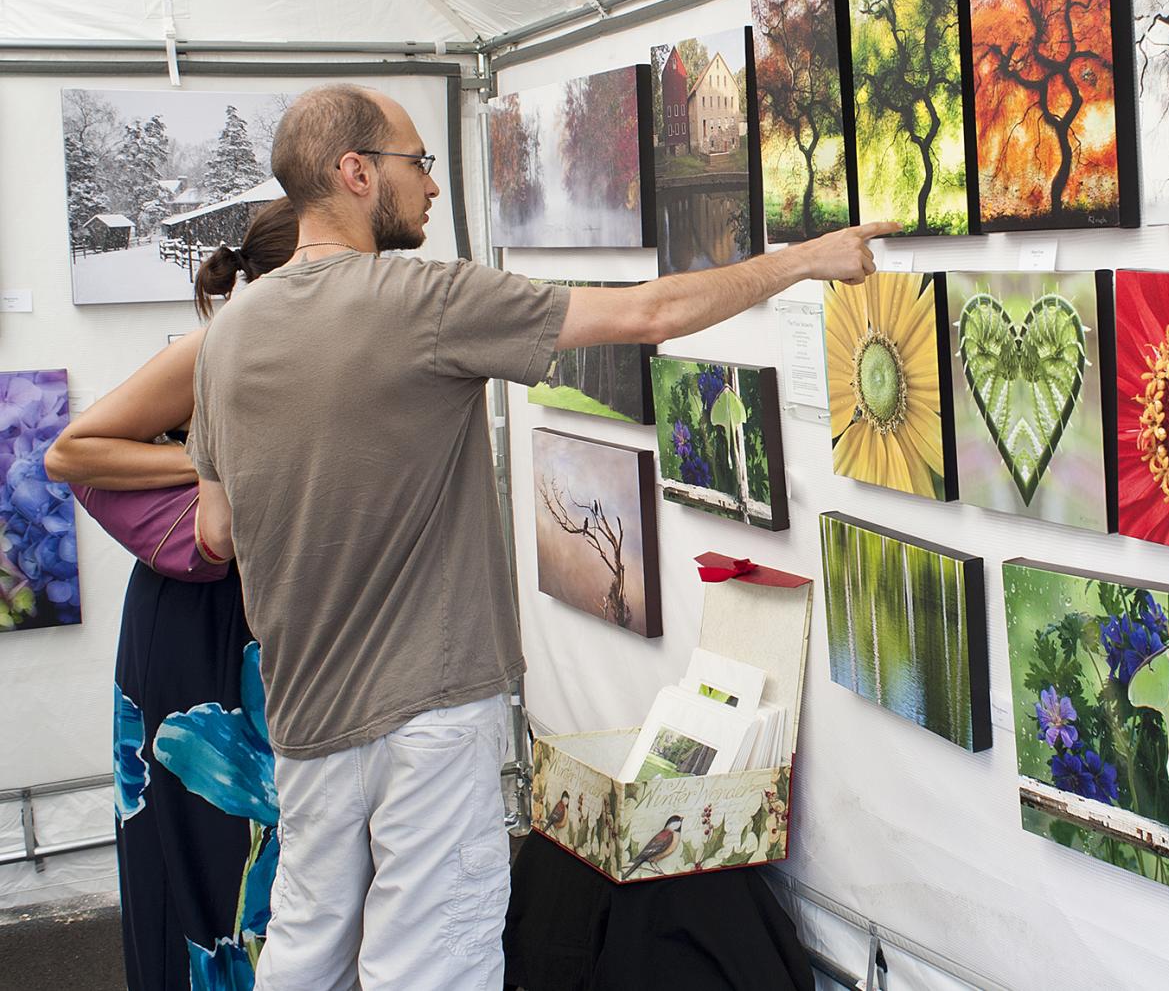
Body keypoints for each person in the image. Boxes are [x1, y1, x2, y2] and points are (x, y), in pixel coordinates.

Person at [185, 83, 892, 990]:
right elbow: (648, 316)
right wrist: (805, 259)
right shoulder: (419, 300)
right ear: (355, 174)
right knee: (430, 966)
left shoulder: (228, 335)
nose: (435, 189)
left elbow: (216, 530)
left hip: (306, 713)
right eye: (418, 164)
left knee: (304, 952)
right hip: (430, 710)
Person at [45, 198, 299, 991]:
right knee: (204, 849)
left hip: (268, 613)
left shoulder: (323, 351)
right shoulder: (215, 349)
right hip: (200, 623)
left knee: (274, 859)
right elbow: (71, 452)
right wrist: (208, 464)